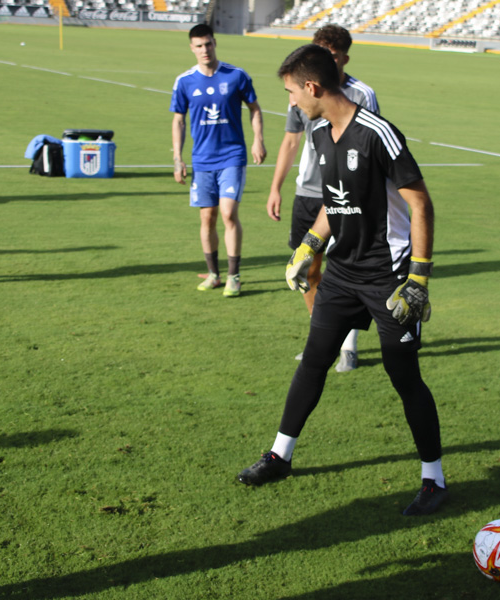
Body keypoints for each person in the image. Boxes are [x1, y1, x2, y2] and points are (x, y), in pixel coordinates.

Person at [237, 44, 447, 516]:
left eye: (291, 92)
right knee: (314, 360)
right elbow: (336, 201)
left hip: (389, 276)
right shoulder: (318, 134)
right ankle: (280, 455)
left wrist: (418, 278)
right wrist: (310, 244)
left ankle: (434, 478)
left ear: (312, 87)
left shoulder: (378, 134)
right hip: (342, 271)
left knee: (403, 374)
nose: (290, 102)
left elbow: (421, 204)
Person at [266, 24, 378, 373]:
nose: (321, 60)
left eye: (330, 55)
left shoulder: (361, 94)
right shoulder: (301, 88)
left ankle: (349, 346)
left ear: (344, 57)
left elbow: (371, 147)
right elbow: (290, 141)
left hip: (345, 197)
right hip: (308, 192)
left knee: (344, 270)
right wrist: (275, 187)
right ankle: (322, 340)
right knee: (309, 270)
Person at [170, 23, 265, 298]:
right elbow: (178, 120)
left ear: (215, 43)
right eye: (199, 46)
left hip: (232, 156)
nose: (204, 50)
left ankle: (233, 276)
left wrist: (258, 139)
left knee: (228, 213)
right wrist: (178, 158)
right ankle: (213, 274)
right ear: (192, 48)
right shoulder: (184, 81)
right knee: (207, 217)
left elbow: (255, 109)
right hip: (202, 160)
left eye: (208, 44)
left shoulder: (236, 75)